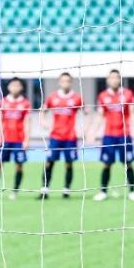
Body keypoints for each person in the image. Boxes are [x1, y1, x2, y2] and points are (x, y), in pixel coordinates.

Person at [89, 69, 134, 202]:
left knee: (128, 163)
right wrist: (92, 132)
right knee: (106, 164)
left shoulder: (128, 94)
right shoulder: (102, 96)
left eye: (116, 78)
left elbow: (133, 114)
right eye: (111, 78)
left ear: (120, 79)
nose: (114, 80)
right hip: (109, 136)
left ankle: (133, 191)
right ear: (108, 80)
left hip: (124, 135)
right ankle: (103, 192)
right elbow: (100, 115)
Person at [0, 77, 32, 201]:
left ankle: (15, 192)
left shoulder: (25, 103)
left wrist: (27, 139)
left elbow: (27, 122)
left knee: (19, 166)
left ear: (21, 87)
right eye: (13, 85)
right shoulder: (3, 102)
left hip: (19, 140)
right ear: (9, 87)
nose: (15, 87)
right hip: (5, 140)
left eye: (17, 85)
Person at [39, 72, 84, 200]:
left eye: (68, 81)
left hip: (70, 137)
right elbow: (42, 112)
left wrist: (84, 129)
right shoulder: (52, 97)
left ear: (71, 82)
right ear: (59, 82)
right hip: (55, 136)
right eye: (63, 81)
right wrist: (44, 122)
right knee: (49, 162)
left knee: (69, 163)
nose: (66, 83)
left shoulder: (76, 98)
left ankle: (66, 190)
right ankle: (44, 189)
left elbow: (86, 113)